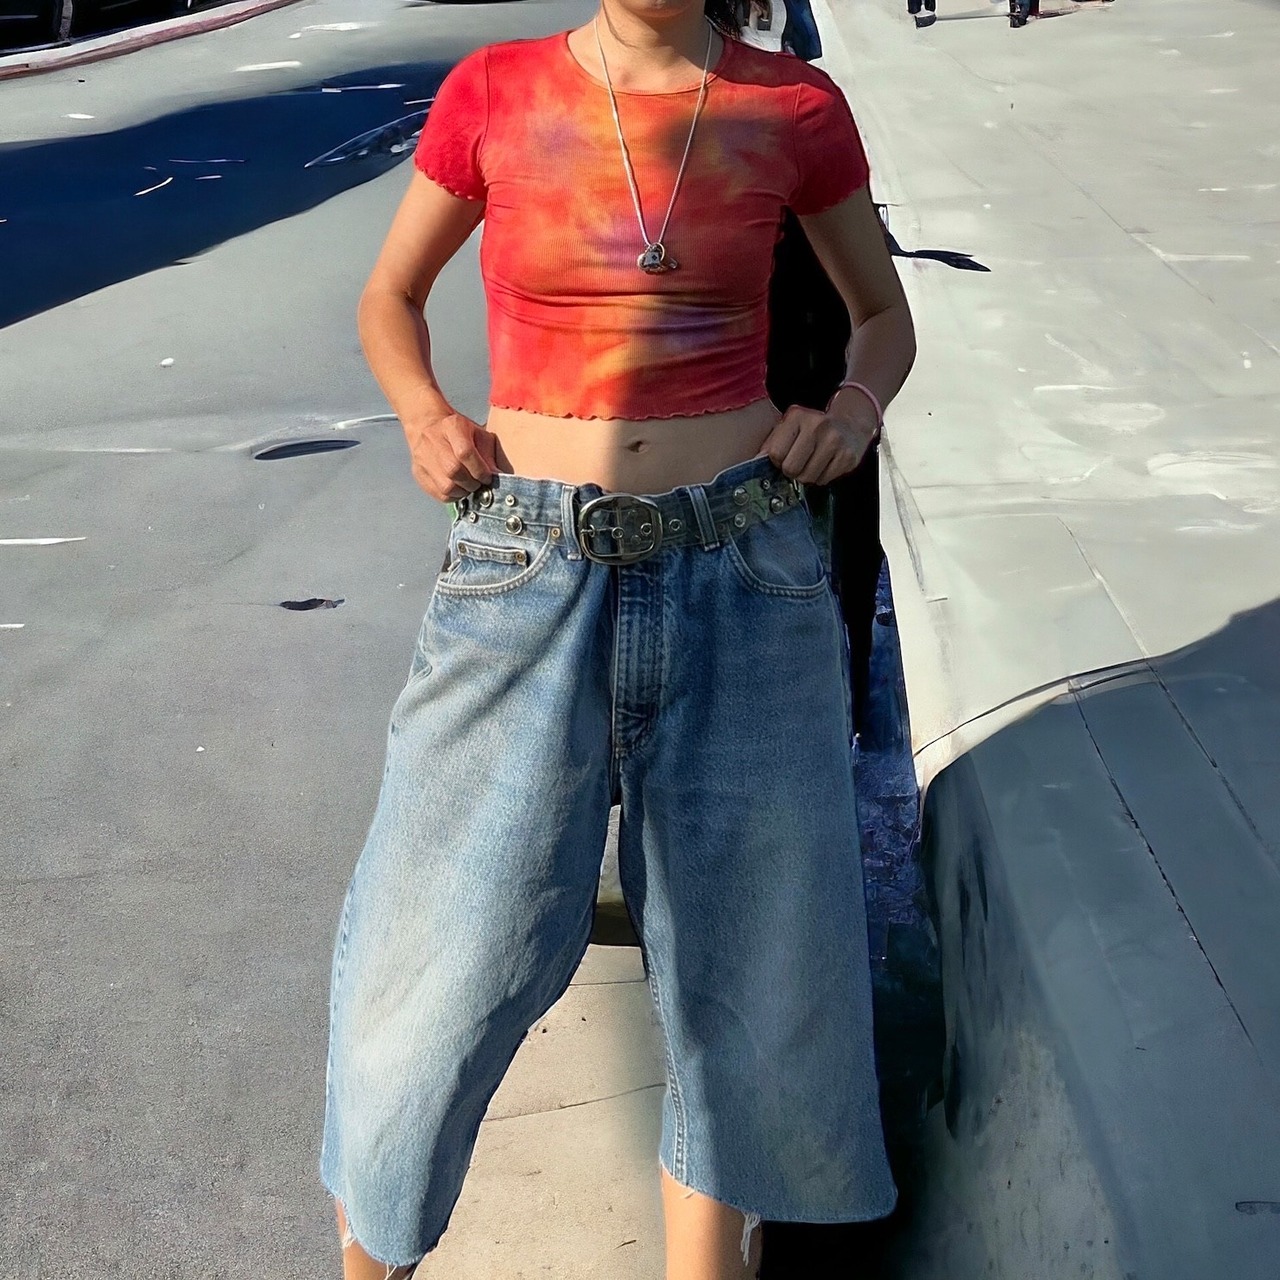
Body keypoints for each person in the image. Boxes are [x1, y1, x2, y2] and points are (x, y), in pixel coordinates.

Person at [319, 0, 917, 1275]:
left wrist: (851, 409)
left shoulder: (788, 108)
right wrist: (424, 414)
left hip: (740, 565)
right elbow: (390, 294)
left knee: (752, 970)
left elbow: (882, 313)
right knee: (435, 962)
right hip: (523, 569)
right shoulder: (495, 92)